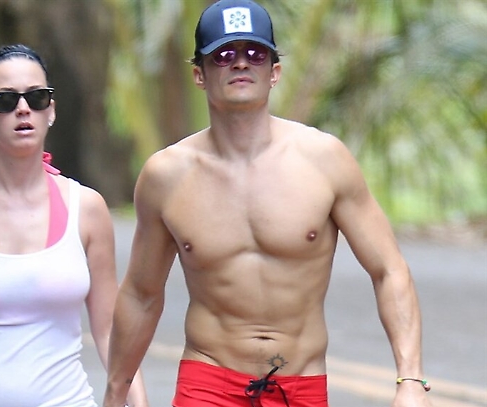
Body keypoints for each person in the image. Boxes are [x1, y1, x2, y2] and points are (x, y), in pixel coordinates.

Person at [103, 1, 433, 406]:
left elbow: (389, 269)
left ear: (274, 72)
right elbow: (142, 293)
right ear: (199, 75)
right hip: (208, 382)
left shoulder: (325, 159)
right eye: (224, 54)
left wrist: (410, 380)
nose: (241, 63)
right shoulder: (166, 175)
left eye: (255, 54)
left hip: (300, 384)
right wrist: (116, 391)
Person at [0, 44, 147, 407]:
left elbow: (110, 326)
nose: (23, 109)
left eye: (36, 97)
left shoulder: (86, 207)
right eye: (4, 100)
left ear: (51, 111)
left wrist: (136, 401)